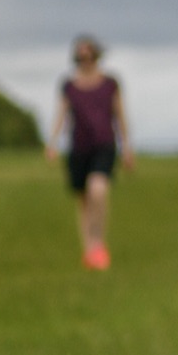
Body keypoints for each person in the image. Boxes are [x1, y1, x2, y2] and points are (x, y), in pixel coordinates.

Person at [45, 34, 133, 270]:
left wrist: (127, 148)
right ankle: (89, 250)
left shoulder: (110, 84)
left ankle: (98, 243)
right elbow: (61, 115)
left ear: (96, 55)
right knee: (83, 200)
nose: (85, 59)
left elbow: (120, 116)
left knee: (98, 190)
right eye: (81, 55)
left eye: (89, 54)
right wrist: (52, 143)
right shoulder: (69, 85)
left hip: (104, 144)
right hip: (78, 147)